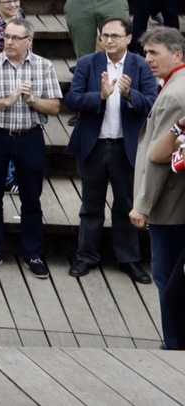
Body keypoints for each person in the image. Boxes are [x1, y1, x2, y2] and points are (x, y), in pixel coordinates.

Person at [63, 17, 156, 282]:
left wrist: (129, 95)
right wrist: (100, 97)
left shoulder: (140, 66)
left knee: (126, 204)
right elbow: (72, 99)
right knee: (90, 205)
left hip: (126, 148)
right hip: (94, 145)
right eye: (105, 35)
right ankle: (85, 256)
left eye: (115, 35)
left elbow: (151, 104)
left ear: (128, 38)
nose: (109, 40)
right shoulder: (87, 63)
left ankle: (129, 259)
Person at [0, 16, 63, 278]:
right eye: (7, 37)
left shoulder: (44, 67)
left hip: (29, 137)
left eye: (15, 37)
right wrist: (6, 101)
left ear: (29, 41)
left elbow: (55, 107)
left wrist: (32, 99)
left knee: (31, 198)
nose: (8, 42)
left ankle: (33, 252)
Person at [132, 26, 185, 349]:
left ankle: (174, 345)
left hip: (170, 207)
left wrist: (143, 205)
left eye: (155, 53)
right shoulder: (174, 86)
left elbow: (159, 159)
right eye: (146, 52)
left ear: (176, 54)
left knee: (168, 280)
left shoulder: (176, 96)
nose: (147, 59)